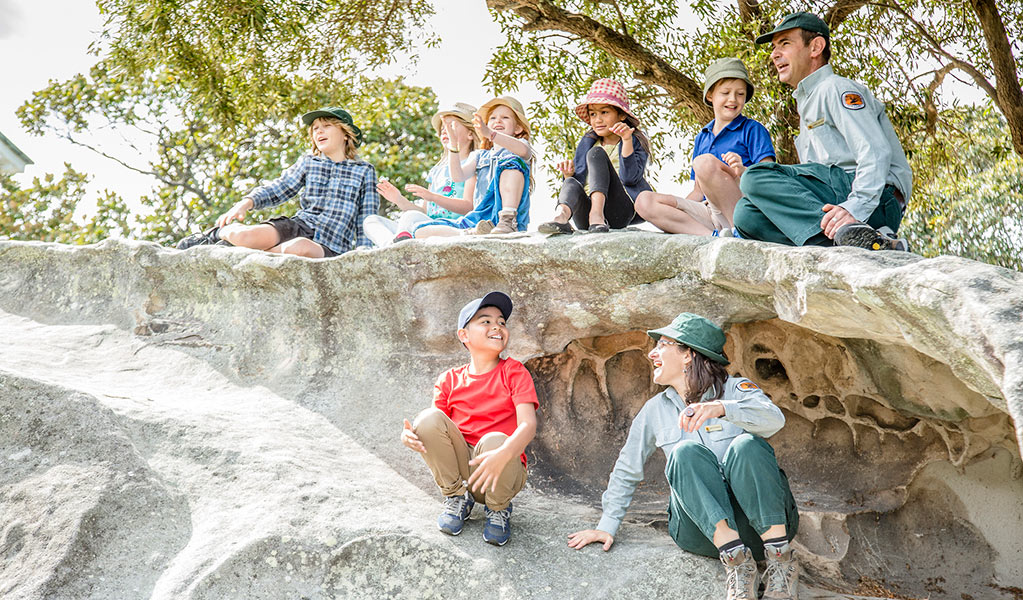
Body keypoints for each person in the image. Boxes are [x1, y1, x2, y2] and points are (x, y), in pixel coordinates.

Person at [566, 313, 800, 600]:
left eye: (662, 344)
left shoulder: (736, 391)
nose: (652, 353)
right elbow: (627, 469)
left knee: (747, 446)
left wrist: (722, 408)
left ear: (688, 354)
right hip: (703, 534)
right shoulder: (654, 410)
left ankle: (781, 561)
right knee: (684, 452)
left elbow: (774, 420)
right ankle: (737, 565)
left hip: (759, 525)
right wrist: (607, 525)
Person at [733, 12, 913, 250]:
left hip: (877, 198)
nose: (775, 54)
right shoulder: (808, 102)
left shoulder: (834, 88)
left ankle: (855, 230)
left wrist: (853, 209)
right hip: (836, 197)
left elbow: (875, 152)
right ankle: (868, 242)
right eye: (774, 47)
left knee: (754, 177)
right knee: (746, 215)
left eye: (785, 44)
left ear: (816, 46)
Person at [401, 291, 538, 546]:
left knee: (496, 440)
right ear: (464, 335)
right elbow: (434, 427)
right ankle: (457, 497)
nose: (497, 326)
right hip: (466, 472)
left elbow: (528, 424)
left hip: (502, 468)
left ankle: (498, 509)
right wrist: (411, 435)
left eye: (502, 322)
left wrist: (505, 452)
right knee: (427, 418)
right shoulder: (449, 379)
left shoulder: (514, 372)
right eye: (485, 321)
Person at [175, 107, 379, 257]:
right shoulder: (309, 163)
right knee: (246, 236)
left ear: (345, 134)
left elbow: (367, 218)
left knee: (299, 248)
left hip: (331, 245)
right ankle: (214, 236)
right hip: (299, 225)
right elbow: (280, 188)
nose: (318, 132)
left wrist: (364, 255)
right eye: (315, 128)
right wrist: (246, 202)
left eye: (326, 126)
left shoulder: (364, 171)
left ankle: (238, 254)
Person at [635, 59, 775, 237]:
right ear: (710, 95)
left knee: (704, 163)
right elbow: (698, 191)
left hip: (743, 208)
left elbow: (770, 177)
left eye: (740, 94)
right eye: (725, 92)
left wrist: (743, 170)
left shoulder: (753, 129)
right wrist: (679, 211)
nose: (733, 99)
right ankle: (712, 238)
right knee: (643, 201)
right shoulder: (702, 137)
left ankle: (740, 232)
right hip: (711, 212)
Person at [537, 79, 652, 234]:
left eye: (604, 112)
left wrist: (626, 140)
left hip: (618, 212)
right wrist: (568, 175)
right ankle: (561, 216)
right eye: (593, 114)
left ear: (622, 115)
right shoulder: (588, 142)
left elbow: (630, 178)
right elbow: (578, 183)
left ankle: (597, 215)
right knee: (570, 181)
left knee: (596, 154)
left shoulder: (633, 140)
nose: (598, 120)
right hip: (585, 217)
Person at [413, 97, 534, 238]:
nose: (498, 121)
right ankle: (469, 233)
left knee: (510, 164)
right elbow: (458, 176)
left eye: (505, 117)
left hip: (508, 220)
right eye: (493, 118)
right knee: (420, 230)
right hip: (479, 220)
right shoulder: (479, 156)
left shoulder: (520, 148)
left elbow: (524, 151)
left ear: (518, 128)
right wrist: (453, 145)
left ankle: (507, 220)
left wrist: (490, 134)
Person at [363, 103, 480, 246]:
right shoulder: (436, 171)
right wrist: (399, 199)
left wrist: (432, 197)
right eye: (442, 128)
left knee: (410, 217)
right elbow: (424, 212)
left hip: (449, 228)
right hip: (424, 227)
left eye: (451, 126)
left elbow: (468, 206)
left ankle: (396, 246)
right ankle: (392, 246)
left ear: (470, 134)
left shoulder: (472, 164)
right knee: (372, 221)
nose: (445, 130)